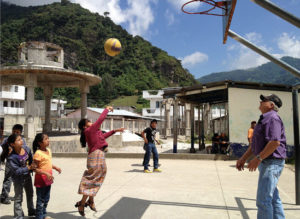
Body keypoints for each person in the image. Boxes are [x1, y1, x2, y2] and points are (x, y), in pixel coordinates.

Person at [236, 94, 286, 219]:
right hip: (268, 163)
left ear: (271, 105)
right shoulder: (264, 119)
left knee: (263, 201)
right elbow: (255, 145)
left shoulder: (272, 118)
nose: (260, 101)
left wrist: (258, 159)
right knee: (273, 199)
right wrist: (243, 158)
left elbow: (275, 142)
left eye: (264, 100)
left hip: (272, 163)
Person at [76, 106, 125, 216]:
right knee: (93, 178)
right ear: (84, 126)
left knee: (98, 176)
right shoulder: (89, 130)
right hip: (96, 155)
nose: (91, 122)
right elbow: (100, 119)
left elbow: (103, 136)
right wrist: (106, 109)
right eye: (88, 121)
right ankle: (83, 203)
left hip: (99, 154)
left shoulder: (94, 132)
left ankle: (90, 200)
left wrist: (115, 130)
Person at [6, 134, 36, 218]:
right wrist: (28, 167)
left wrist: (32, 166)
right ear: (12, 144)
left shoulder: (26, 149)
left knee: (30, 194)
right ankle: (18, 216)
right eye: (18, 140)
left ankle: (31, 210)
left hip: (27, 176)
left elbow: (30, 158)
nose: (21, 141)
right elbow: (17, 171)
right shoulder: (11, 158)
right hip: (18, 179)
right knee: (19, 198)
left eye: (21, 139)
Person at [32, 133, 61, 219]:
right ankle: (39, 216)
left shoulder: (48, 150)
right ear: (40, 143)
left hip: (48, 180)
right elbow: (34, 169)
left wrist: (55, 167)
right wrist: (46, 173)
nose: (48, 140)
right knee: (40, 200)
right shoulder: (38, 153)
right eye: (46, 139)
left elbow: (47, 163)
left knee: (46, 199)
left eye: (48, 138)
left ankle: (43, 214)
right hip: (40, 181)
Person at [1, 124, 26, 205]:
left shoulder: (22, 140)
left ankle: (17, 195)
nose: (15, 133)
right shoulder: (7, 139)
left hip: (19, 163)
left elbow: (24, 151)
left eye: (17, 132)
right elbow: (1, 149)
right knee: (8, 179)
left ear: (21, 133)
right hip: (9, 162)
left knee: (18, 180)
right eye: (14, 131)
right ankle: (4, 196)